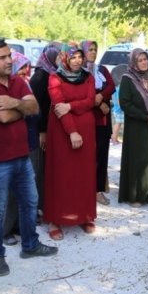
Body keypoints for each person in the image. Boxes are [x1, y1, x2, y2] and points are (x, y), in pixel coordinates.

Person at [0, 38, 57, 277]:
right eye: (2, 57)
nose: (9, 60)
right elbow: (5, 117)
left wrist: (14, 103)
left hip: (22, 156)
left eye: (9, 56)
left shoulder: (17, 81)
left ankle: (30, 245)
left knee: (30, 202)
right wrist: (21, 106)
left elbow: (35, 108)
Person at [44, 43, 97, 238]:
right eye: (73, 57)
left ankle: (84, 215)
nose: (78, 61)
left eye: (80, 57)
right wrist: (72, 132)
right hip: (62, 133)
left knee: (84, 174)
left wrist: (71, 105)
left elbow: (90, 101)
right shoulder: (54, 77)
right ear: (65, 57)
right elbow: (58, 107)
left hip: (87, 132)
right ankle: (54, 219)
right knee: (61, 175)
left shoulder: (88, 77)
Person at [118, 48, 148, 206]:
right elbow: (125, 104)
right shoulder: (128, 79)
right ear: (133, 62)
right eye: (140, 60)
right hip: (137, 127)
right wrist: (147, 117)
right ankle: (136, 196)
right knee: (138, 160)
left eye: (145, 59)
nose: (144, 62)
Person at [2, 51, 40, 246]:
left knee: (24, 189)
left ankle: (17, 225)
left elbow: (35, 110)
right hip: (11, 144)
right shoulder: (7, 87)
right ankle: (5, 229)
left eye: (28, 66)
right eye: (22, 66)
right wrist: (24, 109)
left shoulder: (25, 85)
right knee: (8, 190)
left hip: (29, 142)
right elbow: (6, 115)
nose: (26, 70)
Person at [81, 39, 116, 206]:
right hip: (84, 120)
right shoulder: (77, 71)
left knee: (101, 156)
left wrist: (101, 97)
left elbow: (111, 86)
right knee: (84, 156)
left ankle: (97, 191)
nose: (93, 53)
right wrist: (98, 101)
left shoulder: (101, 69)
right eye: (90, 50)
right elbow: (81, 92)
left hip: (102, 120)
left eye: (95, 50)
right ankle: (84, 190)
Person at [29, 43, 61, 212]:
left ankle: (44, 204)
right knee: (39, 169)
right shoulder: (41, 76)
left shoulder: (54, 74)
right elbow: (36, 106)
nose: (60, 59)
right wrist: (42, 131)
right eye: (57, 56)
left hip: (51, 128)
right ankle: (37, 207)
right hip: (41, 130)